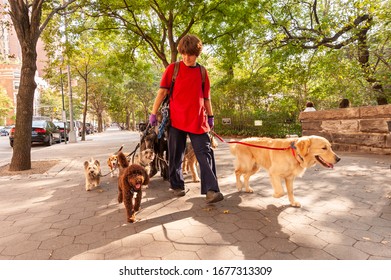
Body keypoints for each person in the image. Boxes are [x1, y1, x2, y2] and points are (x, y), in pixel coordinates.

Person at [149, 34, 223, 204]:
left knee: (205, 154)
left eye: (190, 54)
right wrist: (153, 113)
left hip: (198, 120)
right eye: (183, 53)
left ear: (197, 54)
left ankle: (212, 190)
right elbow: (161, 93)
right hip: (175, 120)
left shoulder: (203, 72)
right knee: (176, 154)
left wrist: (210, 116)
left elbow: (206, 98)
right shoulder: (173, 69)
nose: (186, 57)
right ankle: (177, 185)